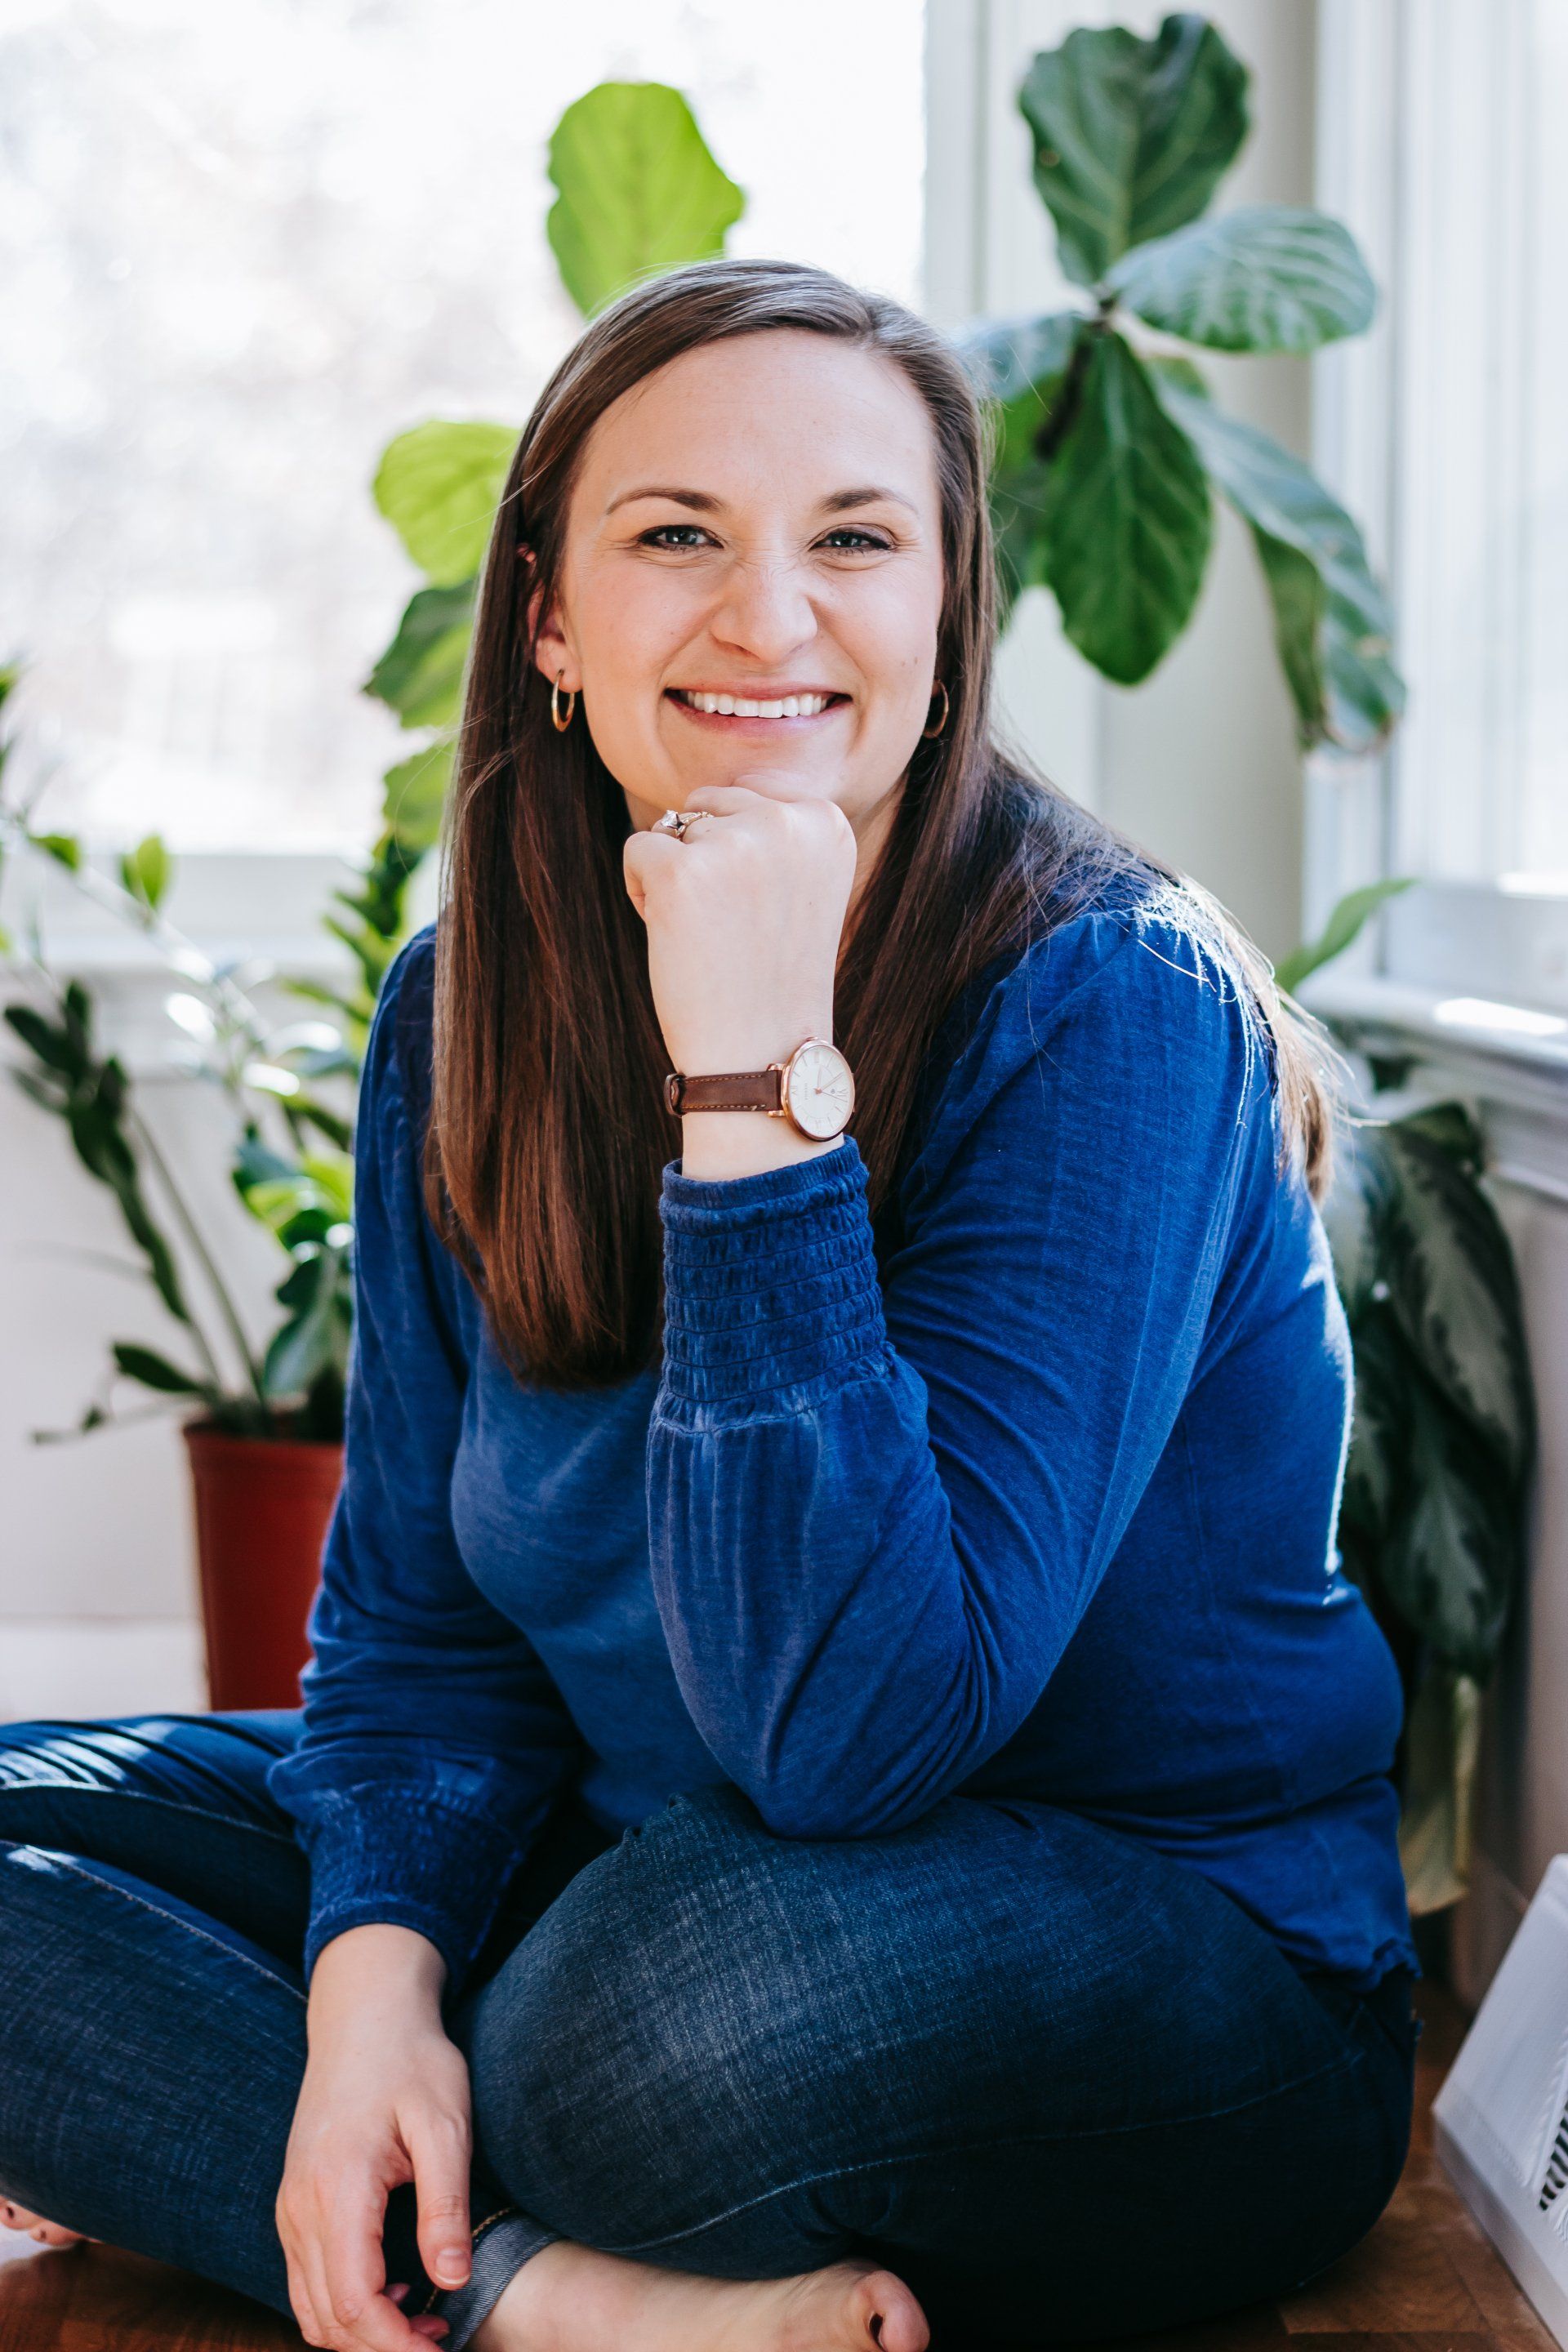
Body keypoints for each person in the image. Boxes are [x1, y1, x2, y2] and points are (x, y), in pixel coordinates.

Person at [0, 260, 1419, 2352]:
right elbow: (414, 1627)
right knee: (480, 1966)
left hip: (1155, 1955)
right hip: (634, 1849)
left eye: (856, 540)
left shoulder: (1108, 1000)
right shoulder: (462, 1006)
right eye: (679, 537)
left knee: (636, 2025)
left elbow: (855, 1738)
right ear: (553, 617)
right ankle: (558, 2299)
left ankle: (369, 2147)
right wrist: (378, 1960)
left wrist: (754, 1080)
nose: (772, 617)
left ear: (947, 613)